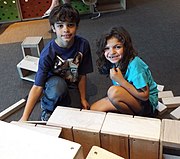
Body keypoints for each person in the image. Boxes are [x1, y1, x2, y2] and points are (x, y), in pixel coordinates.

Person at [20, 3, 93, 121]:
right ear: (53, 28)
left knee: (75, 114)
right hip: (53, 83)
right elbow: (38, 85)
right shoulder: (48, 53)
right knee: (58, 88)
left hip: (71, 83)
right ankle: (47, 108)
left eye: (70, 25)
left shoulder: (83, 45)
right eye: (60, 26)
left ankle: (61, 98)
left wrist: (83, 98)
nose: (66, 30)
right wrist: (24, 117)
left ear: (76, 27)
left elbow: (82, 74)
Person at [90, 26, 158, 117]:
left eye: (117, 47)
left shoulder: (135, 65)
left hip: (146, 105)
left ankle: (134, 118)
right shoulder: (115, 60)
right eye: (107, 48)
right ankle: (124, 106)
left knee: (113, 92)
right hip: (130, 94)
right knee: (93, 109)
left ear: (125, 47)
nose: (112, 52)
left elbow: (144, 96)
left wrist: (121, 80)